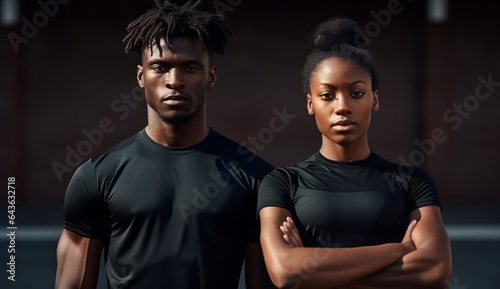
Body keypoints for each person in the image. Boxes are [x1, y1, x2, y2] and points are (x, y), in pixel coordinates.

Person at [55, 1, 276, 288]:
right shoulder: (96, 176)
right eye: (160, 67)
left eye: (190, 68)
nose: (174, 81)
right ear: (141, 76)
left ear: (210, 77)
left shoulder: (256, 178)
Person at [257, 17, 452, 289]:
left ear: (375, 100)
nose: (342, 106)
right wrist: (398, 250)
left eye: (357, 93)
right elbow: (286, 272)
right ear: (310, 104)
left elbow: (435, 269)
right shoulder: (282, 183)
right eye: (328, 95)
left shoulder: (413, 183)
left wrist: (317, 275)